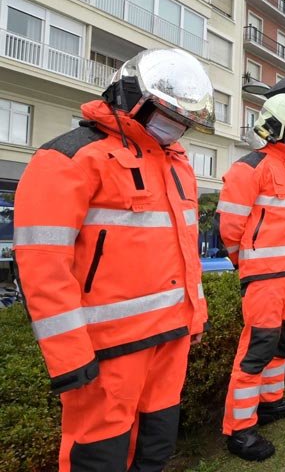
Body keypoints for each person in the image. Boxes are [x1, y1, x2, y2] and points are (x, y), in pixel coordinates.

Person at [12, 48, 213, 471]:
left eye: (185, 120)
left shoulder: (178, 164)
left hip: (169, 342)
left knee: (155, 453)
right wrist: (69, 357)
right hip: (105, 353)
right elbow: (41, 266)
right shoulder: (68, 158)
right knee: (98, 459)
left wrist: (194, 317)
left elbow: (184, 249)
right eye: (168, 113)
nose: (177, 126)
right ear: (131, 95)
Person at [217, 93, 285, 461]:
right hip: (266, 277)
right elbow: (229, 227)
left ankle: (270, 402)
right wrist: (248, 266)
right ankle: (240, 429)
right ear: (274, 127)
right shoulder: (249, 167)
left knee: (282, 344)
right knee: (257, 348)